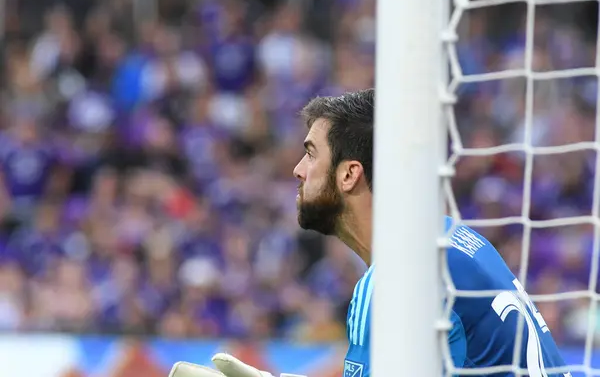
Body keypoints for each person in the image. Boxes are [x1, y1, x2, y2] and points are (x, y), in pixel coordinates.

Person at [168, 88, 570, 377]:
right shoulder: (459, 242)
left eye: (310, 153)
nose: (297, 170)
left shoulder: (391, 279)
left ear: (348, 174)